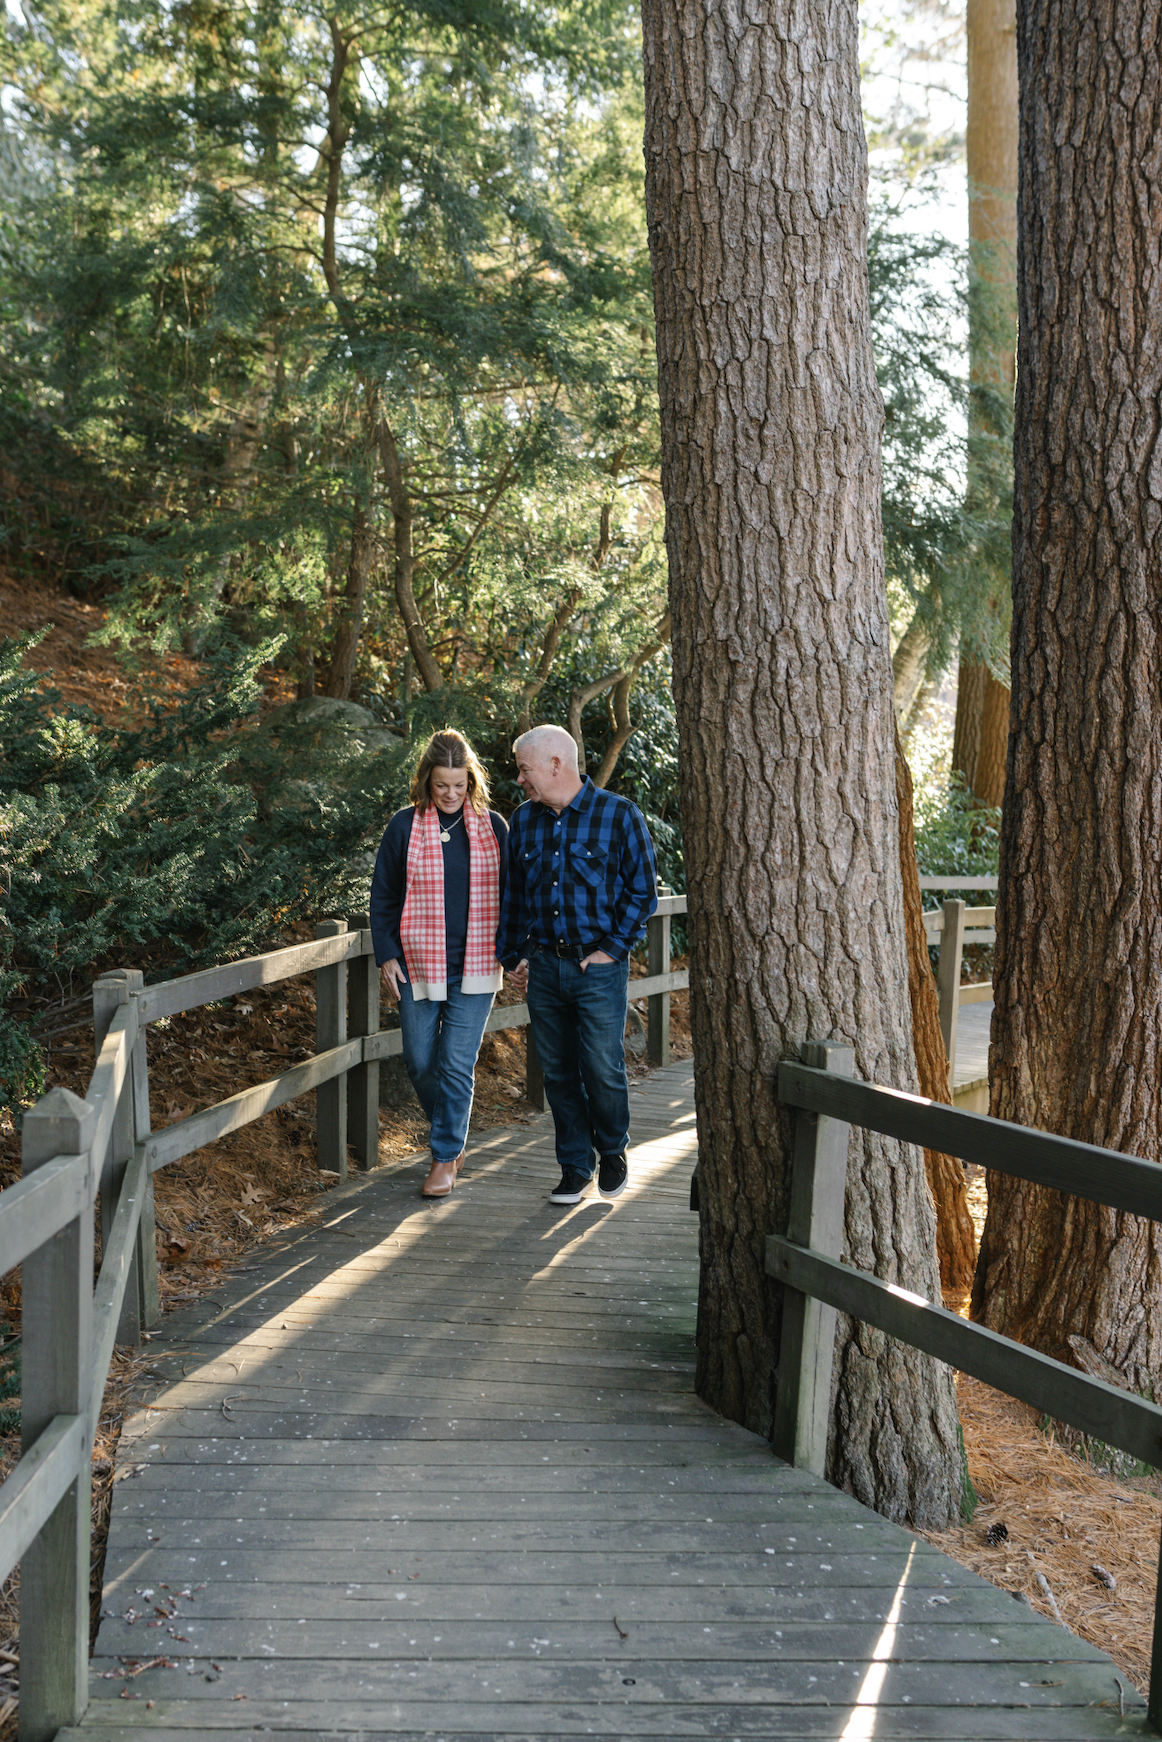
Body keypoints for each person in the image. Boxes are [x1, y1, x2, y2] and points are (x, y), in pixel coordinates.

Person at [499, 724, 657, 1205]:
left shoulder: (619, 815)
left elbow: (643, 890)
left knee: (600, 1066)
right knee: (559, 1072)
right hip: (545, 967)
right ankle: (574, 1165)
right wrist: (515, 954)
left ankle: (612, 1148)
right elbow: (515, 897)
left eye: (525, 769)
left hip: (599, 969)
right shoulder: (524, 821)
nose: (520, 780)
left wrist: (611, 948)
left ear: (555, 764)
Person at [369, 729, 508, 1199]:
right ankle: (452, 1130)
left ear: (472, 780)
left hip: (476, 963)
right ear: (426, 780)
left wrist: (517, 949)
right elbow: (384, 896)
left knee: (454, 1063)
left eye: (459, 784)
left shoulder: (494, 829)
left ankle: (444, 1156)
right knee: (418, 1059)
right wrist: (386, 953)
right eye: (441, 785)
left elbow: (513, 897)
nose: (451, 794)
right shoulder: (403, 827)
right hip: (417, 963)